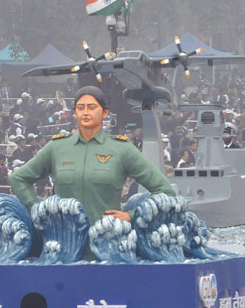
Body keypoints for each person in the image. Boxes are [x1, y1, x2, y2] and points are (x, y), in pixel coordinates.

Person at [9, 86, 175, 227]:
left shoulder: (122, 149)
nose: (85, 113)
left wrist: (132, 215)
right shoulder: (57, 147)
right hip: (63, 247)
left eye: (92, 107)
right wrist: (39, 210)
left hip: (107, 248)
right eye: (80, 108)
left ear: (105, 112)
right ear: (74, 112)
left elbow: (166, 191)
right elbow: (19, 178)